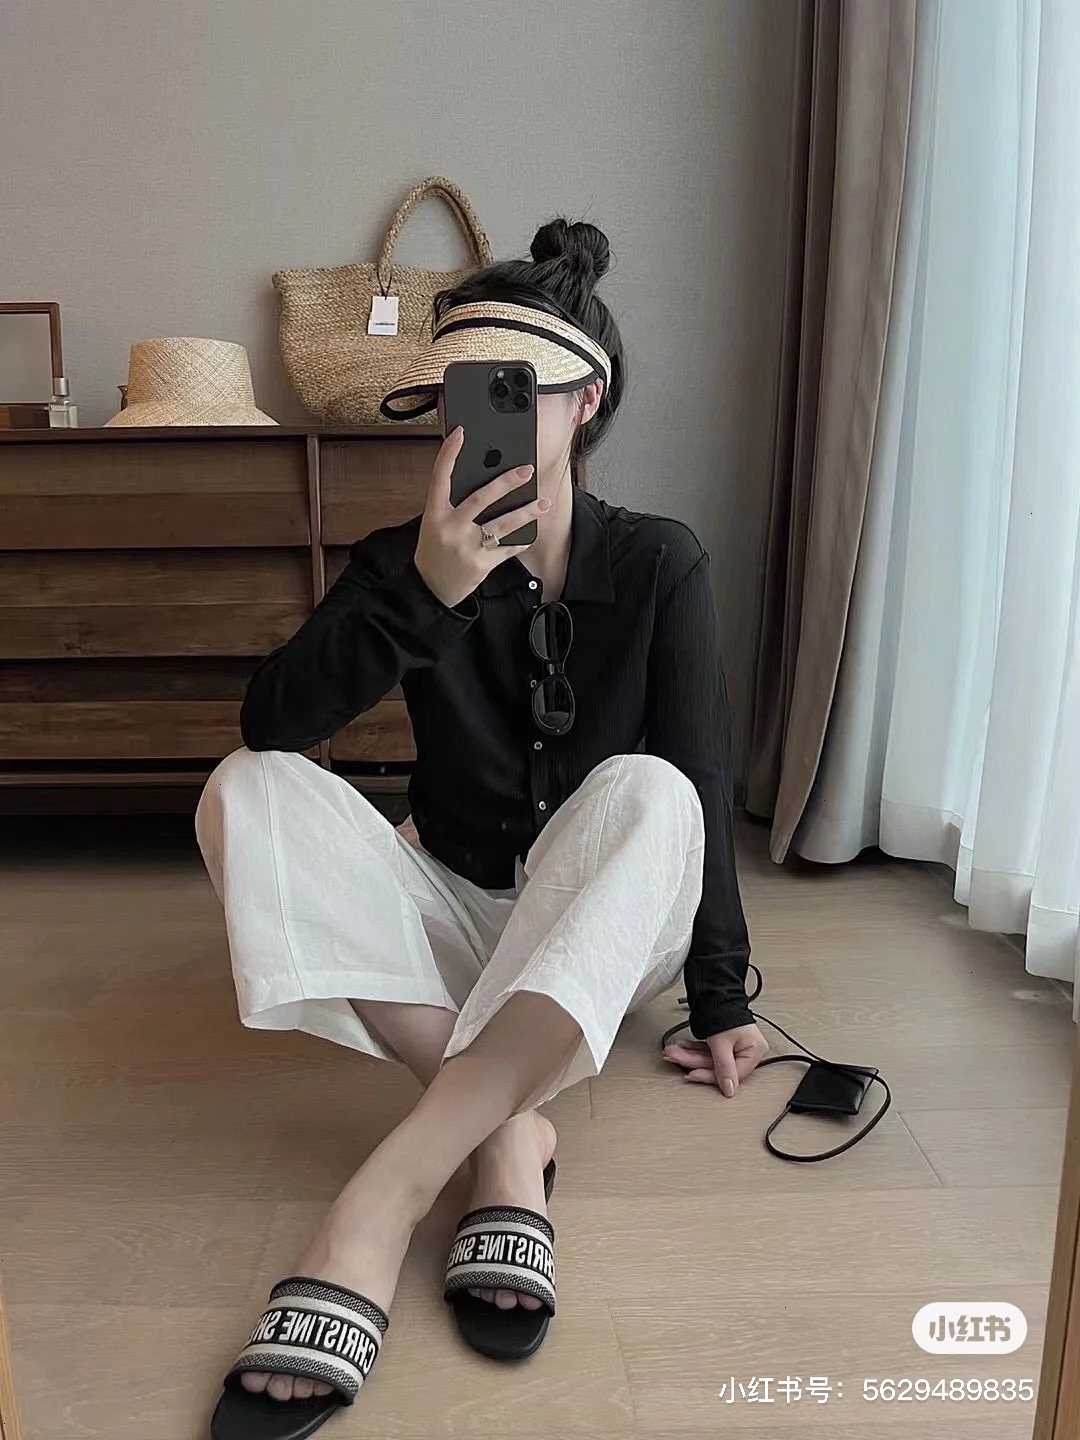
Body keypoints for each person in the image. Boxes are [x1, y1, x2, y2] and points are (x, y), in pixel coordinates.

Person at [197, 218, 768, 1440]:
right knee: (243, 785)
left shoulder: (658, 562)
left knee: (652, 789)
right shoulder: (398, 562)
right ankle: (509, 1137)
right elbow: (273, 723)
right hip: (453, 906)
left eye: (510, 394)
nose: (475, 425)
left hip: (603, 929)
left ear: (585, 402)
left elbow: (702, 782)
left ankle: (384, 1195)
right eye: (458, 395)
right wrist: (426, 593)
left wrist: (721, 996)